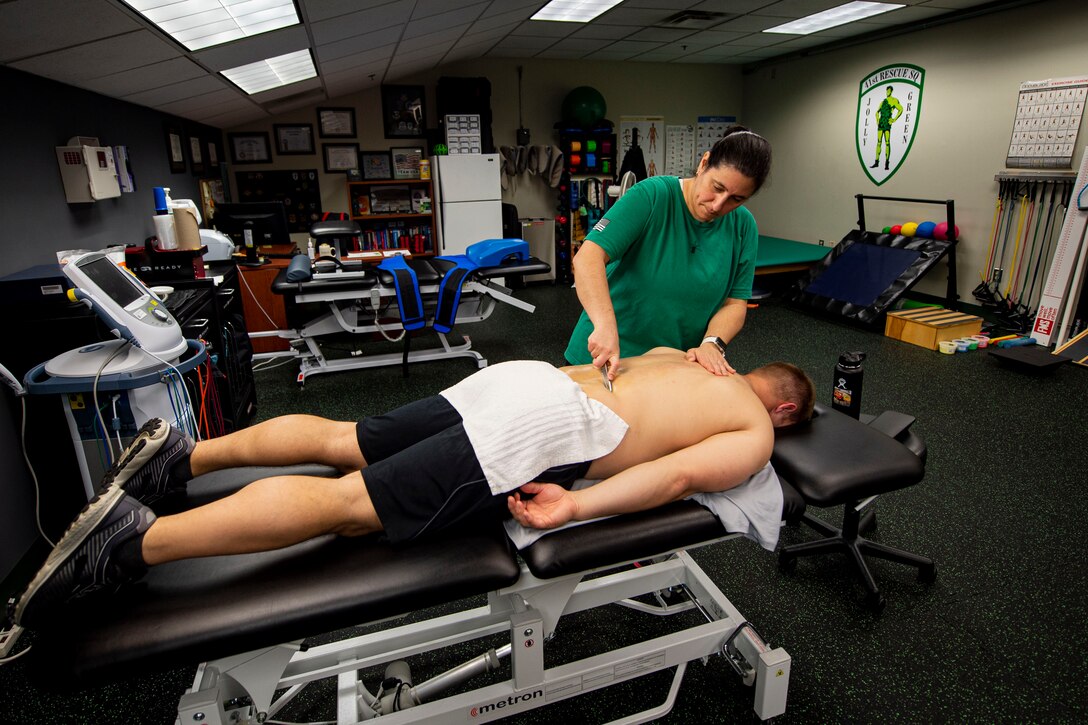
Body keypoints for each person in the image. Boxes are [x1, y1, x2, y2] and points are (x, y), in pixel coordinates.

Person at [12, 349, 813, 628]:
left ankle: (179, 461)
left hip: (517, 380)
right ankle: (130, 543)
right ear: (782, 405)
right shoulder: (755, 426)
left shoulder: (686, 354)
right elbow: (671, 474)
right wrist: (576, 505)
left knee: (343, 442)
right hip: (543, 428)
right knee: (352, 510)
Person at [565, 125, 772, 385]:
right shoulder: (652, 196)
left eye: (736, 199)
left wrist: (712, 343)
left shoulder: (743, 226)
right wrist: (605, 326)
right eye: (717, 187)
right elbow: (587, 258)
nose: (718, 205)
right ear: (704, 163)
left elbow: (735, 303)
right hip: (608, 356)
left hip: (672, 366)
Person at [871, 86, 903, 171]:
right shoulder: (883, 102)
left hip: (887, 122)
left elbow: (901, 109)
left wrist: (894, 119)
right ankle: (877, 161)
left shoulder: (894, 100)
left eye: (889, 90)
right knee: (879, 142)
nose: (887, 92)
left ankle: (886, 163)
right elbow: (877, 112)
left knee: (887, 142)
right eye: (886, 91)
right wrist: (877, 120)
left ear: (891, 91)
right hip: (881, 122)